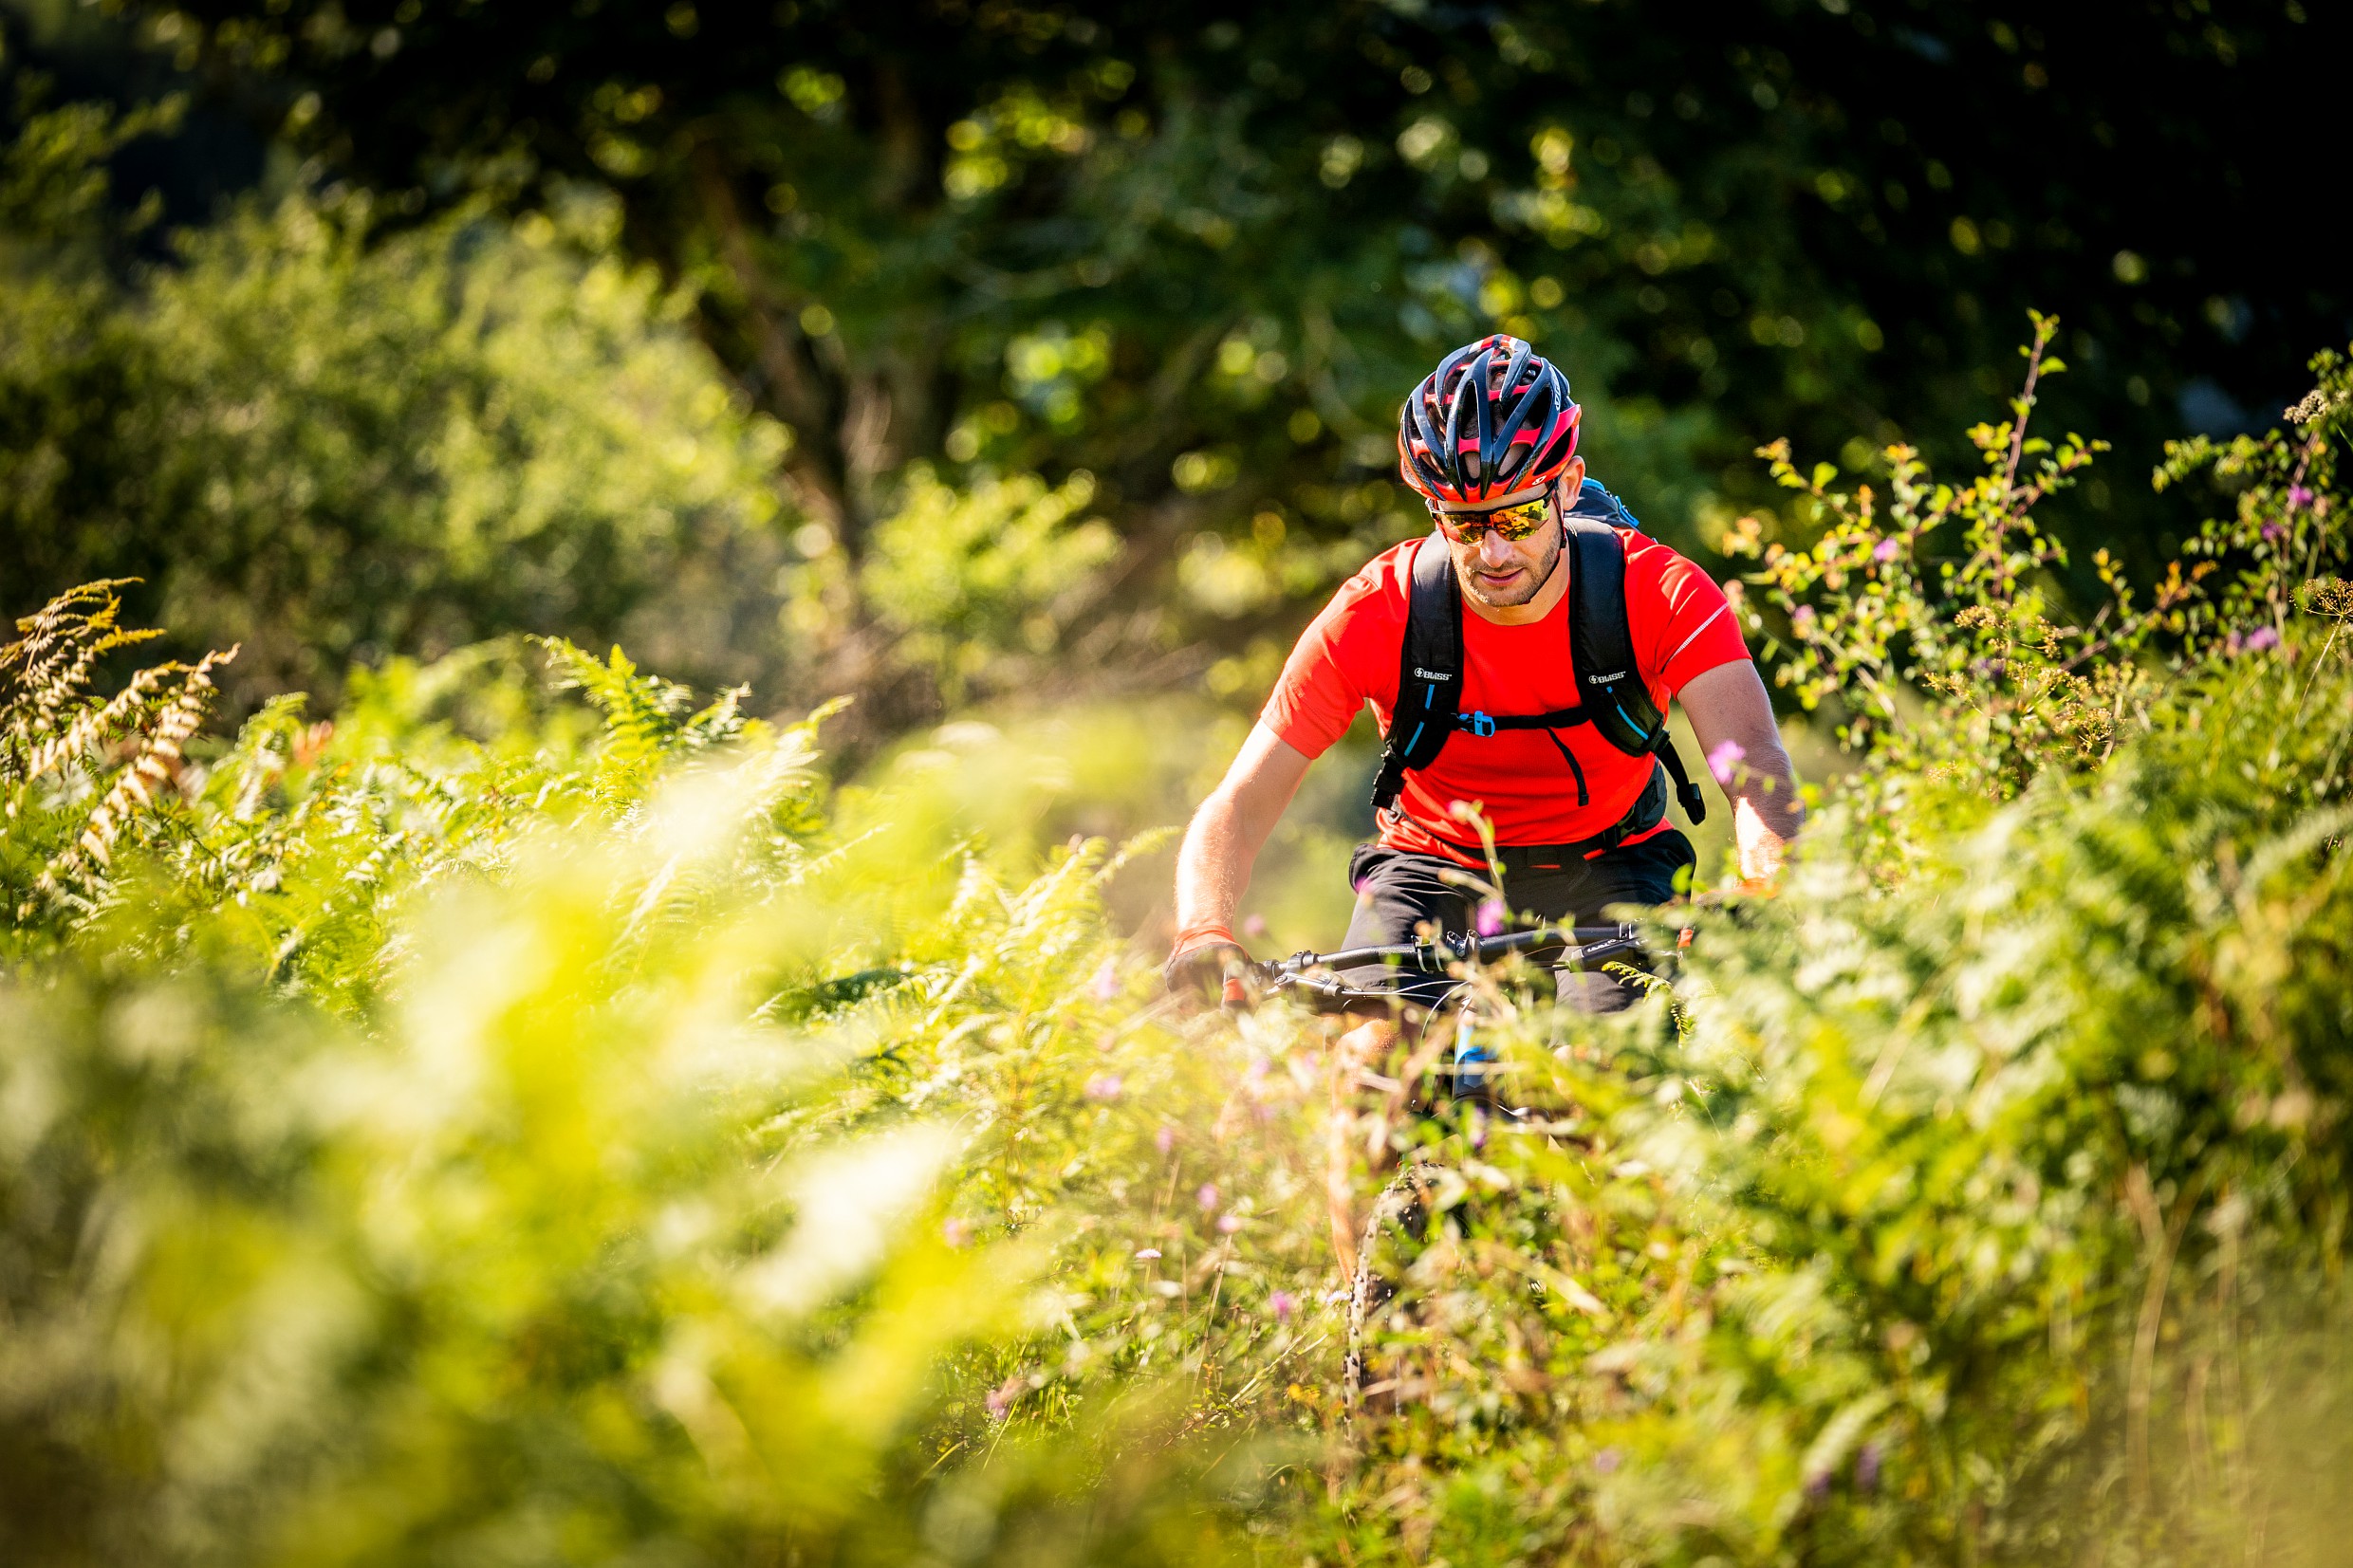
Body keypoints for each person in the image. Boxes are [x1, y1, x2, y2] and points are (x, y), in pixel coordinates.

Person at [1163, 335, 1804, 1260]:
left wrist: (1767, 888)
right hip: (1428, 862)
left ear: (1567, 486)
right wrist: (1202, 930)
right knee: (1367, 1082)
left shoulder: (1656, 593)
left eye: (1514, 517)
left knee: (1600, 1104)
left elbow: (1757, 778)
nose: (1491, 549)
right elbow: (1239, 799)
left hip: (1607, 865)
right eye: (1462, 525)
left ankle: (1611, 1337)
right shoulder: (1377, 609)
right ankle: (1373, 1353)